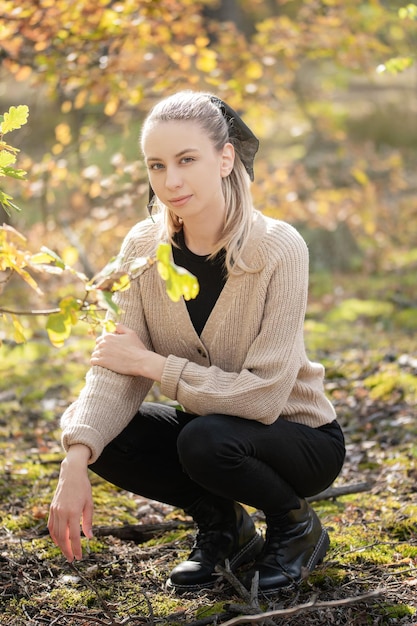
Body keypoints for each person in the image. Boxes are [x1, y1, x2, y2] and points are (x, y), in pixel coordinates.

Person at [48, 90, 345, 595]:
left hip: (296, 437)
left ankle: (295, 525)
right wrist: (74, 457)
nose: (172, 181)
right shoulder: (143, 248)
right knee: (107, 436)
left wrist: (155, 366)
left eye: (187, 160)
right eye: (157, 165)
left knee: (203, 439)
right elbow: (117, 366)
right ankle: (226, 528)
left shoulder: (278, 247)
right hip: (209, 428)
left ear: (226, 158)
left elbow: (264, 397)